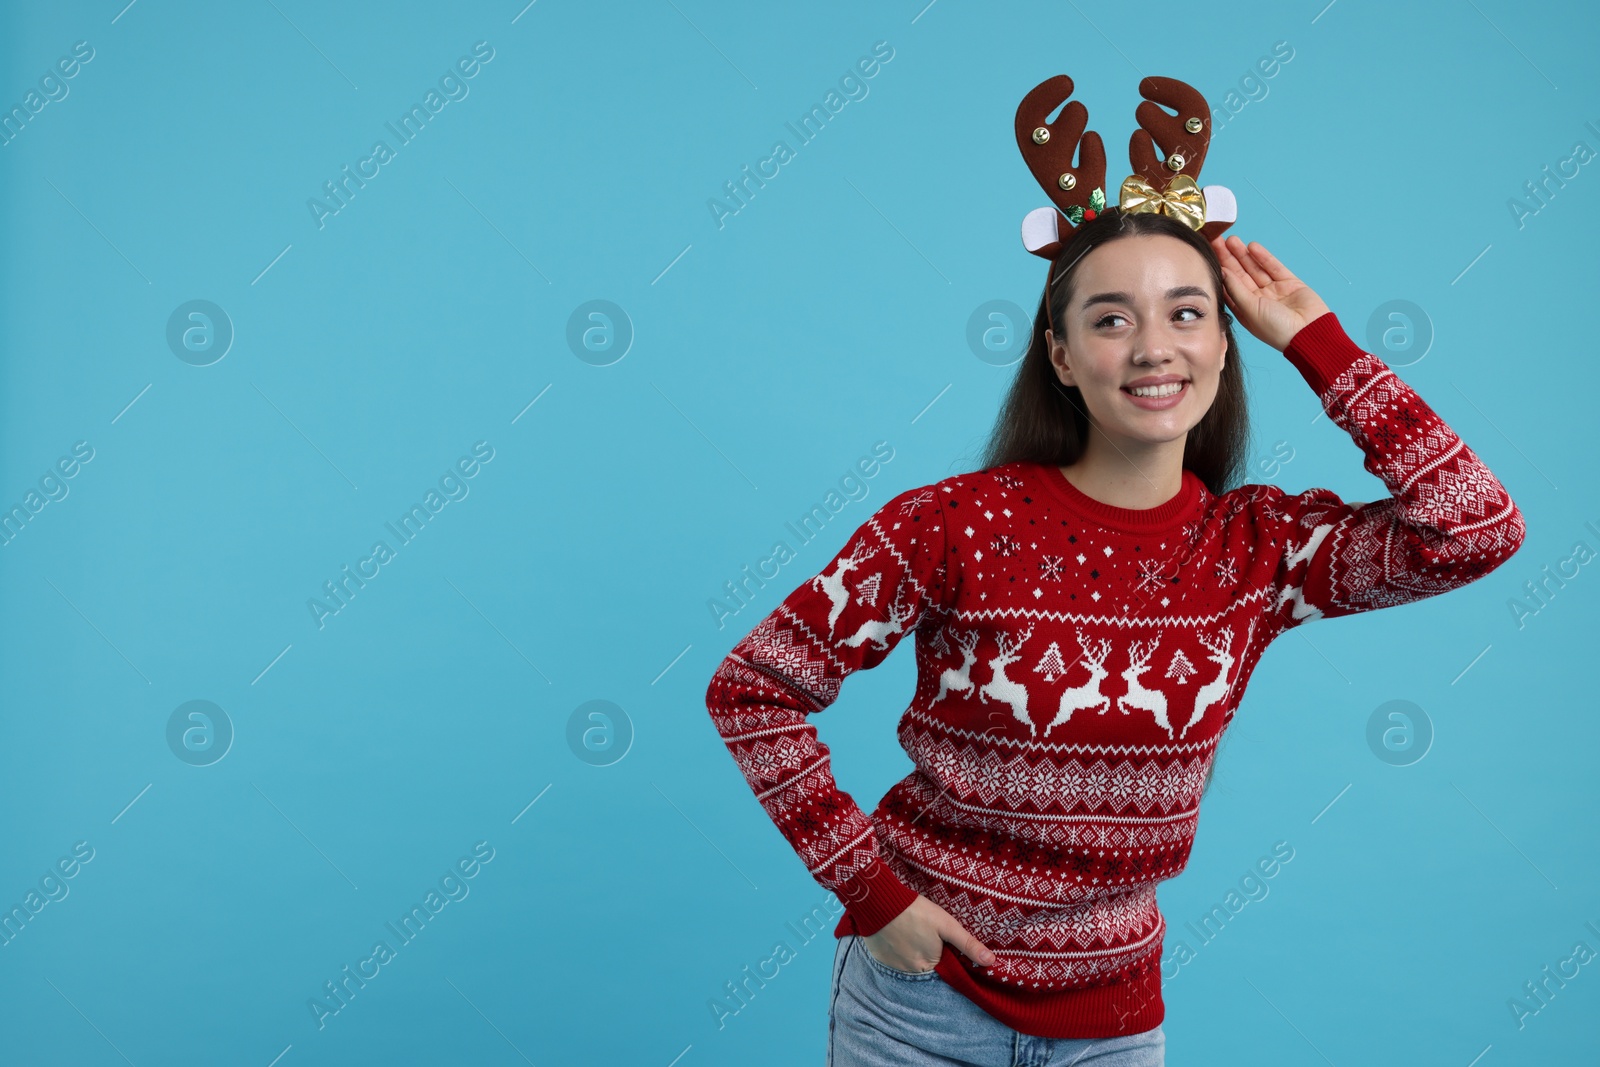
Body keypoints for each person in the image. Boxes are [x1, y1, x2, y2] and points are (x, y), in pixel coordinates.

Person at [703, 76, 1525, 1066]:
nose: (1151, 347)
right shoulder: (952, 525)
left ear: (1225, 341)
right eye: (1108, 319)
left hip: (1113, 1018)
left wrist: (1316, 339)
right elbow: (753, 687)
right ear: (1059, 352)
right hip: (919, 1005)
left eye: (1186, 313)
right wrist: (871, 895)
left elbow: (1474, 527)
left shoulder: (1258, 551)